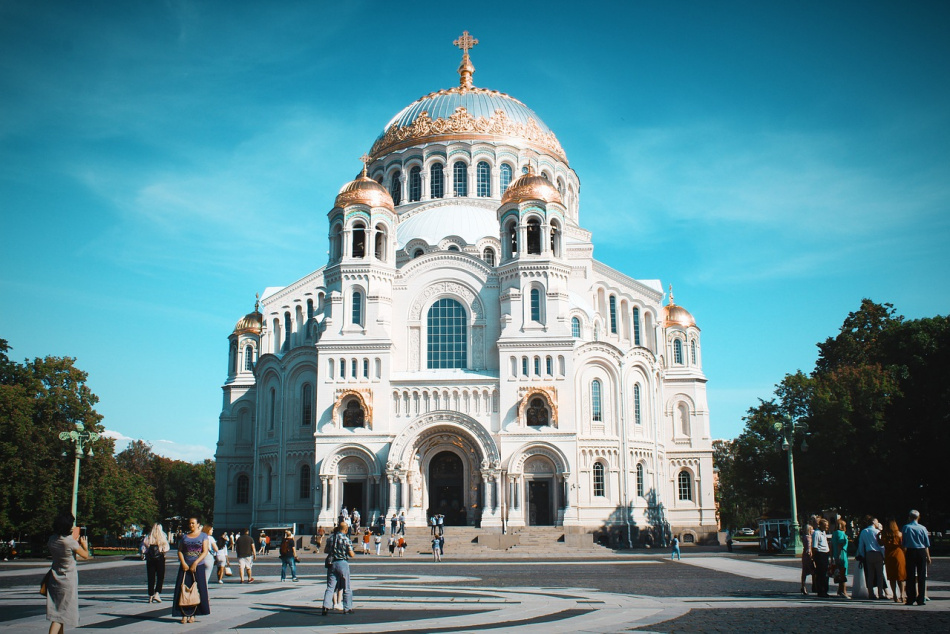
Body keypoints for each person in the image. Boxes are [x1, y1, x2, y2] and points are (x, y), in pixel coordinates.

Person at [45, 513, 91, 634]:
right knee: (60, 615)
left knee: (59, 611)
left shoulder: (52, 539)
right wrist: (85, 546)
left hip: (54, 577)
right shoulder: (69, 542)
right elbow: (86, 555)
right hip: (67, 579)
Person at [172, 517, 210, 624]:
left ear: (198, 524)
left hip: (198, 566)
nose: (191, 525)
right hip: (185, 567)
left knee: (197, 590)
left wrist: (196, 563)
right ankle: (183, 614)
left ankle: (193, 614)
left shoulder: (203, 536)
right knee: (183, 590)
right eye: (190, 523)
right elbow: (180, 551)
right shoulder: (185, 536)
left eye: (193, 523)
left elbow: (205, 551)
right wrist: (183, 562)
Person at [322, 521, 356, 616]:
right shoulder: (346, 539)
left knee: (330, 586)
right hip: (342, 563)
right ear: (346, 529)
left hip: (332, 563)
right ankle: (347, 608)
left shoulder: (331, 538)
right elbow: (351, 554)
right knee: (346, 586)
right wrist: (353, 553)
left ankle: (325, 606)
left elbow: (325, 550)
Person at [901, 510, 931, 606]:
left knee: (910, 575)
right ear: (918, 517)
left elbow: (904, 542)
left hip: (910, 551)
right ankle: (921, 598)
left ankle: (911, 598)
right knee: (921, 575)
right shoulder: (923, 528)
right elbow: (926, 544)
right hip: (921, 551)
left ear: (909, 517)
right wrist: (928, 556)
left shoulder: (906, 528)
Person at [856, 516, 886, 599]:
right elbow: (881, 545)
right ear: (873, 522)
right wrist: (884, 556)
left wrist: (862, 555)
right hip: (877, 553)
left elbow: (861, 545)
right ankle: (880, 593)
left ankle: (871, 593)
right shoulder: (877, 532)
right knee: (879, 574)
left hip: (868, 553)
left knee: (870, 574)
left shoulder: (864, 532)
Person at [143, 523, 170, 602]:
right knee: (160, 577)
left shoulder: (148, 537)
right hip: (160, 558)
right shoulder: (162, 537)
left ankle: (150, 595)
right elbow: (166, 548)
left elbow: (144, 547)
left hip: (150, 559)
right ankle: (157, 593)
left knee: (151, 577)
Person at [882, 519, 906, 603]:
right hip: (898, 554)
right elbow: (903, 545)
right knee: (900, 576)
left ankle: (895, 595)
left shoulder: (885, 535)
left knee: (892, 577)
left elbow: (880, 543)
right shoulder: (899, 534)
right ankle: (902, 594)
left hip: (889, 555)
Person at [812, 518, 831, 598]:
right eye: (825, 526)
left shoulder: (823, 532)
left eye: (827, 526)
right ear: (821, 525)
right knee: (821, 573)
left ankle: (825, 590)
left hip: (825, 554)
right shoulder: (816, 533)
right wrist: (814, 557)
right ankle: (821, 590)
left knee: (825, 574)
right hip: (820, 554)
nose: (827, 527)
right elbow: (814, 546)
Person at [831, 518, 850, 599]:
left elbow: (831, 546)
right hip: (842, 554)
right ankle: (844, 591)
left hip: (836, 554)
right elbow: (840, 545)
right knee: (843, 572)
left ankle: (839, 590)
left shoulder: (834, 533)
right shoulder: (841, 533)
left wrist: (832, 556)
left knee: (839, 572)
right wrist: (839, 555)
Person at [800, 524, 815, 595]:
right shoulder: (809, 537)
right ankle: (814, 586)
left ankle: (803, 586)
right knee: (813, 570)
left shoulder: (804, 537)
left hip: (804, 555)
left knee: (804, 572)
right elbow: (809, 547)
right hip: (809, 555)